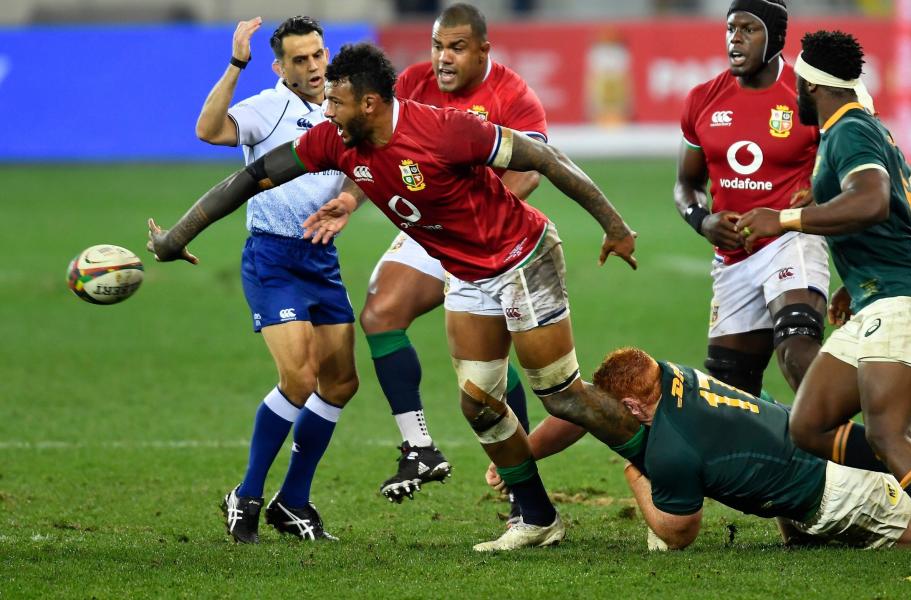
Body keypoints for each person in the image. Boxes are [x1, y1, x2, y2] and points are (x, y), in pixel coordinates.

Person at [148, 42, 644, 552]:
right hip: (467, 274)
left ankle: (660, 471)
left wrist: (614, 225)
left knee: (559, 396)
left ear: (368, 104)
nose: (326, 111)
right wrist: (177, 236)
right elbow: (250, 179)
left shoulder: (445, 129)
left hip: (521, 257)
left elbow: (543, 156)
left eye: (336, 102)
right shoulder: (335, 142)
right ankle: (539, 518)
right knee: (479, 405)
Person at [736, 30, 911, 583]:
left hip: (906, 301)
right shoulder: (865, 127)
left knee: (888, 433)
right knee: (808, 425)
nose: (794, 91)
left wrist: (784, 219)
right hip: (879, 296)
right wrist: (859, 273)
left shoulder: (850, 131)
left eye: (798, 83)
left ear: (812, 85)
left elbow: (873, 200)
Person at [358, 4, 544, 513]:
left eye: (457, 47)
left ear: (484, 49)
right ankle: (418, 446)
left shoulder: (514, 96)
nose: (443, 57)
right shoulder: (413, 84)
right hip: (426, 226)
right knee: (379, 316)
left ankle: (519, 486)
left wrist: (478, 222)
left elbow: (530, 170)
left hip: (487, 234)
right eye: (438, 46)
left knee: (489, 363)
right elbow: (372, 150)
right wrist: (349, 200)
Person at [491, 347, 911, 551]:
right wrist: (525, 453)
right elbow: (585, 408)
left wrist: (636, 477)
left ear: (630, 405)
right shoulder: (671, 375)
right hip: (817, 451)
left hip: (835, 492)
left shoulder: (671, 447)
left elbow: (679, 533)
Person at [188, 15, 358, 544]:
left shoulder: (343, 104)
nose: (312, 67)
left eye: (318, 55)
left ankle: (294, 500)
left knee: (340, 383)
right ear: (280, 66)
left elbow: (369, 156)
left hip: (321, 259)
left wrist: (349, 198)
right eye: (300, 59)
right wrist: (235, 64)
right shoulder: (267, 107)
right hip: (272, 257)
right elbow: (208, 130)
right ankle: (248, 494)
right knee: (300, 379)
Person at [675, 0, 827, 397]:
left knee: (797, 351)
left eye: (749, 29)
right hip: (733, 259)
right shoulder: (702, 99)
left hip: (791, 240)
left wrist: (821, 187)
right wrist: (701, 219)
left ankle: (855, 453)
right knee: (730, 393)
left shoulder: (809, 96)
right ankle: (782, 455)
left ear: (775, 37)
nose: (735, 39)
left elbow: (852, 165)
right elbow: (686, 183)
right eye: (730, 29)